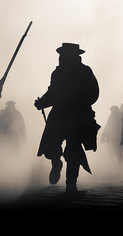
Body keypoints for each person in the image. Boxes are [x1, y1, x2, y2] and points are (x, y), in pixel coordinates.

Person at [35, 43, 100, 193]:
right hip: (59, 113)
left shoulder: (85, 71)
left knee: (73, 150)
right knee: (51, 146)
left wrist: (79, 102)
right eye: (61, 54)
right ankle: (56, 163)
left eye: (65, 55)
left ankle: (71, 182)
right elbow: (52, 91)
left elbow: (94, 92)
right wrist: (42, 102)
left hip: (78, 115)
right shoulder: (57, 73)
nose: (61, 57)